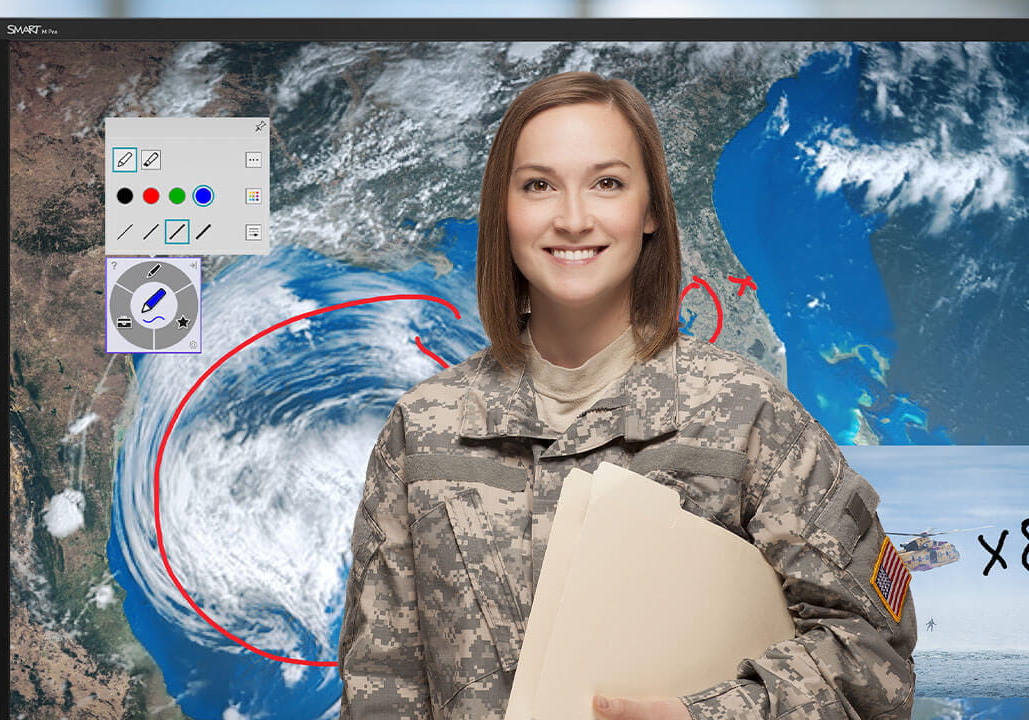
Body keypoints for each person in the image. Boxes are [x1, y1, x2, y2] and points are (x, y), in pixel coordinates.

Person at [338, 72, 916, 720]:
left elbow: (874, 659)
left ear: (649, 211)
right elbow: (381, 688)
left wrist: (703, 716)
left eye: (606, 183)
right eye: (538, 185)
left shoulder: (750, 418)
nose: (573, 217)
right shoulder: (422, 431)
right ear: (504, 210)